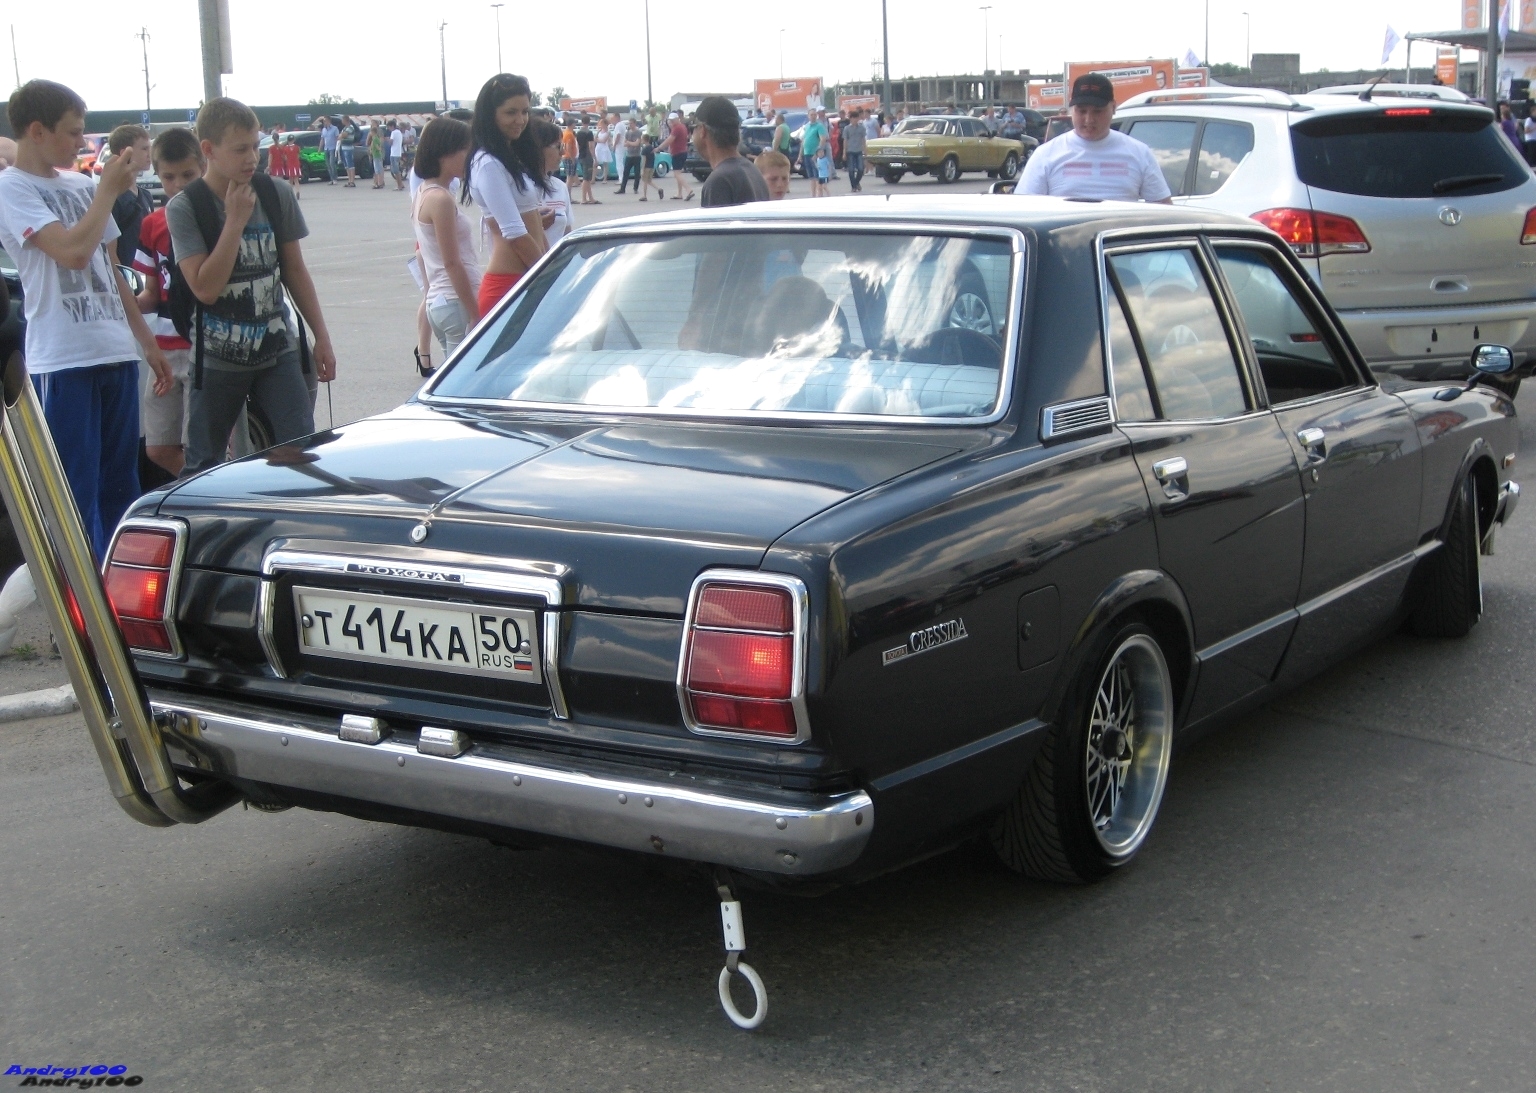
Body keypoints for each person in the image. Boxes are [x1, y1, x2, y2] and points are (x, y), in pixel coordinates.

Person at [0, 79, 172, 556]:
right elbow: (72, 253)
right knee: (77, 490)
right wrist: (107, 193)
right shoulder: (11, 188)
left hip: (114, 348)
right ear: (38, 131)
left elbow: (111, 272)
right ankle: (82, 611)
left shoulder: (83, 185)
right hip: (63, 357)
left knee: (121, 486)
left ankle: (121, 597)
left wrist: (147, 343)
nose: (82, 143)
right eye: (73, 132)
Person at [168, 97, 338, 475]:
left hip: (276, 350)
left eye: (256, 145)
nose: (253, 157)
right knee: (204, 464)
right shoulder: (185, 207)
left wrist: (320, 336)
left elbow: (295, 269)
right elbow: (204, 289)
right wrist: (234, 222)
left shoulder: (274, 193)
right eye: (241, 149)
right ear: (209, 150)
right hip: (216, 357)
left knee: (301, 451)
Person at [132, 127, 204, 477]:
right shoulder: (152, 224)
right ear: (157, 175)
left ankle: (207, 497)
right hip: (162, 347)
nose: (178, 185)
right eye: (169, 177)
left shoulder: (214, 217)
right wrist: (124, 300)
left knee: (200, 444)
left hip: (201, 344)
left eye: (188, 175)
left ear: (204, 167)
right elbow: (148, 290)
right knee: (158, 446)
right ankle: (200, 489)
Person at [463, 73, 551, 315]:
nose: (520, 120)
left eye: (525, 111)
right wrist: (550, 275)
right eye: (510, 112)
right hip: (509, 285)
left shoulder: (510, 157)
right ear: (490, 115)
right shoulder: (488, 163)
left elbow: (522, 222)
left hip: (528, 278)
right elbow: (514, 233)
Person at [1017, 73, 1172, 204]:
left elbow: (1165, 214)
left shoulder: (1140, 154)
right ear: (1072, 110)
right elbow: (1024, 210)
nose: (1089, 120)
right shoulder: (1045, 155)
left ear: (1113, 108)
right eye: (1082, 111)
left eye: (1097, 112)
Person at [412, 117, 483, 364]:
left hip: (441, 302)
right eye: (466, 150)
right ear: (446, 152)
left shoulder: (424, 192)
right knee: (463, 382)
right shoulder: (440, 199)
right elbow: (452, 262)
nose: (471, 158)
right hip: (455, 301)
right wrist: (475, 312)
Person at [694, 95, 768, 208]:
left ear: (702, 130)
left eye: (693, 128)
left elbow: (717, 225)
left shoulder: (719, 182)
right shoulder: (752, 170)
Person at [104, 124, 154, 264]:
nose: (149, 154)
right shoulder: (114, 198)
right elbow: (109, 251)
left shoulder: (145, 195)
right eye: (144, 148)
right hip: (127, 276)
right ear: (124, 152)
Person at [532, 120, 576, 240]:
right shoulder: (516, 187)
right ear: (538, 147)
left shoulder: (560, 187)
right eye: (558, 146)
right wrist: (533, 225)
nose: (563, 152)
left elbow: (567, 234)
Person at [668, 112, 695, 200]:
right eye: (670, 120)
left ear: (677, 119)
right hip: (682, 151)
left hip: (678, 152)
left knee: (677, 173)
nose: (671, 122)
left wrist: (659, 147)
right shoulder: (682, 126)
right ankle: (679, 193)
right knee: (678, 172)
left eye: (672, 120)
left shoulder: (677, 128)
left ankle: (689, 190)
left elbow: (670, 140)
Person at [637, 129, 666, 201]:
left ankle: (644, 195)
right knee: (649, 181)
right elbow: (654, 156)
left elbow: (644, 160)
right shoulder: (651, 147)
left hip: (646, 167)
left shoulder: (644, 149)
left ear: (644, 140)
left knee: (645, 181)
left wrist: (642, 169)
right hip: (651, 166)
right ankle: (659, 189)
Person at [800, 110, 827, 185]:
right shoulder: (806, 126)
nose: (813, 116)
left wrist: (817, 153)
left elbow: (823, 139)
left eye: (815, 115)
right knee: (811, 177)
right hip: (806, 153)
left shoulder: (819, 126)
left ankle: (819, 195)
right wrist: (800, 155)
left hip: (815, 154)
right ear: (808, 116)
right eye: (811, 115)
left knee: (817, 175)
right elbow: (803, 141)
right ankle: (813, 195)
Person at [843, 109, 867, 192]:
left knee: (861, 169)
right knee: (851, 170)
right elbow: (845, 140)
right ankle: (853, 186)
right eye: (853, 118)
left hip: (859, 150)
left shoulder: (861, 128)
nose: (855, 120)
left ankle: (856, 183)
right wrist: (844, 153)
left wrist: (865, 150)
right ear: (850, 119)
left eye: (856, 118)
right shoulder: (847, 128)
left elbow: (863, 140)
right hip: (850, 151)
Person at [615, 123, 643, 194]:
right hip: (629, 155)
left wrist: (629, 143)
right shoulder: (627, 132)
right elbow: (624, 143)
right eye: (629, 124)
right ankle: (622, 188)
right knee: (626, 172)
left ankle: (635, 188)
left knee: (637, 173)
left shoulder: (638, 132)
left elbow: (637, 143)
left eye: (631, 123)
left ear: (634, 123)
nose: (630, 125)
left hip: (636, 155)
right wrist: (631, 143)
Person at [575, 121, 598, 204]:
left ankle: (590, 197)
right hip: (587, 156)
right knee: (586, 178)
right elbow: (591, 146)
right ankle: (584, 198)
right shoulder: (589, 133)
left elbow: (577, 145)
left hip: (581, 155)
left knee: (587, 178)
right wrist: (595, 158)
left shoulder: (578, 133)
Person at [338, 114, 360, 187]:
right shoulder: (344, 128)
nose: (342, 121)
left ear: (345, 120)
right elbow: (339, 136)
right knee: (346, 165)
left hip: (348, 148)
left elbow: (343, 135)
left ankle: (352, 181)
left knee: (350, 164)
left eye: (342, 120)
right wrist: (341, 135)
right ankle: (349, 180)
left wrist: (341, 135)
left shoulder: (350, 127)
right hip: (343, 148)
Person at [318, 116, 339, 184]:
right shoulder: (324, 129)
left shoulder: (335, 128)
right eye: (324, 121)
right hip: (326, 148)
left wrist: (337, 148)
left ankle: (335, 178)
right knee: (328, 164)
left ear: (329, 121)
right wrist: (320, 148)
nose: (324, 122)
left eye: (325, 121)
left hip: (332, 148)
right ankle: (331, 179)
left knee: (332, 163)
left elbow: (337, 138)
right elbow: (322, 139)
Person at [367, 121, 386, 188]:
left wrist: (376, 148)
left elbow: (380, 143)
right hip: (375, 154)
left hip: (377, 154)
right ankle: (376, 181)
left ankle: (380, 182)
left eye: (373, 124)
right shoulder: (372, 135)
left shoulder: (378, 133)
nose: (372, 125)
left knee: (378, 168)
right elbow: (367, 142)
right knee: (376, 168)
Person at [593, 117, 612, 181]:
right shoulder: (599, 131)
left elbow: (604, 140)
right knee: (596, 162)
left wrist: (598, 140)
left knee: (605, 164)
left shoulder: (608, 132)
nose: (601, 125)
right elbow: (595, 139)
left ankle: (605, 178)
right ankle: (593, 178)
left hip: (604, 148)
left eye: (602, 124)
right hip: (598, 148)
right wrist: (598, 134)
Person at [389, 120, 407, 190]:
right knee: (397, 170)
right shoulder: (399, 132)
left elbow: (391, 142)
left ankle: (399, 185)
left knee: (395, 170)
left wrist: (387, 140)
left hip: (394, 153)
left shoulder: (393, 132)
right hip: (398, 152)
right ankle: (401, 184)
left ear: (392, 126)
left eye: (389, 127)